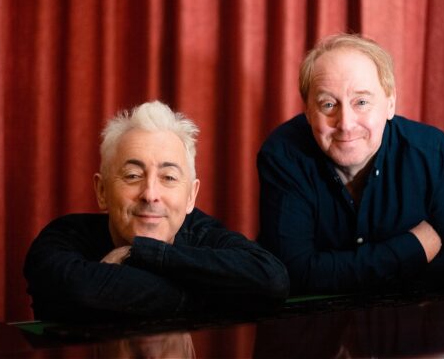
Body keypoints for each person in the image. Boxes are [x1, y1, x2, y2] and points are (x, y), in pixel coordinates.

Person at [257, 33, 444, 294]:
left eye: (362, 102)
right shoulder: (283, 155)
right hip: (315, 327)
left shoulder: (430, 152)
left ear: (390, 104)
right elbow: (293, 273)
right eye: (328, 104)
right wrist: (414, 247)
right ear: (309, 112)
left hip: (415, 324)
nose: (345, 123)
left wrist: (335, 272)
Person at [24, 101, 289, 321]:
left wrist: (141, 253)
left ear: (191, 196)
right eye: (132, 175)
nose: (150, 194)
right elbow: (77, 290)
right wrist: (211, 291)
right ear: (102, 191)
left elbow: (272, 280)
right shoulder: (63, 237)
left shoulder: (202, 232)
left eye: (169, 178)